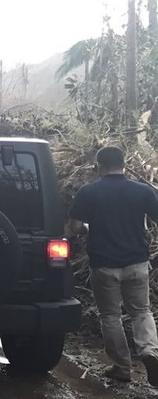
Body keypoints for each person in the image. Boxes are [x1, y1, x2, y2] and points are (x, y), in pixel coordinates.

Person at [68, 145, 158, 385]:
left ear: (98, 166)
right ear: (124, 163)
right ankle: (149, 351)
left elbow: (75, 228)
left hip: (104, 265)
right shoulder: (143, 191)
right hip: (137, 262)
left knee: (110, 316)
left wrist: (90, 228)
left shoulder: (89, 192)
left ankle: (121, 367)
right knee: (141, 311)